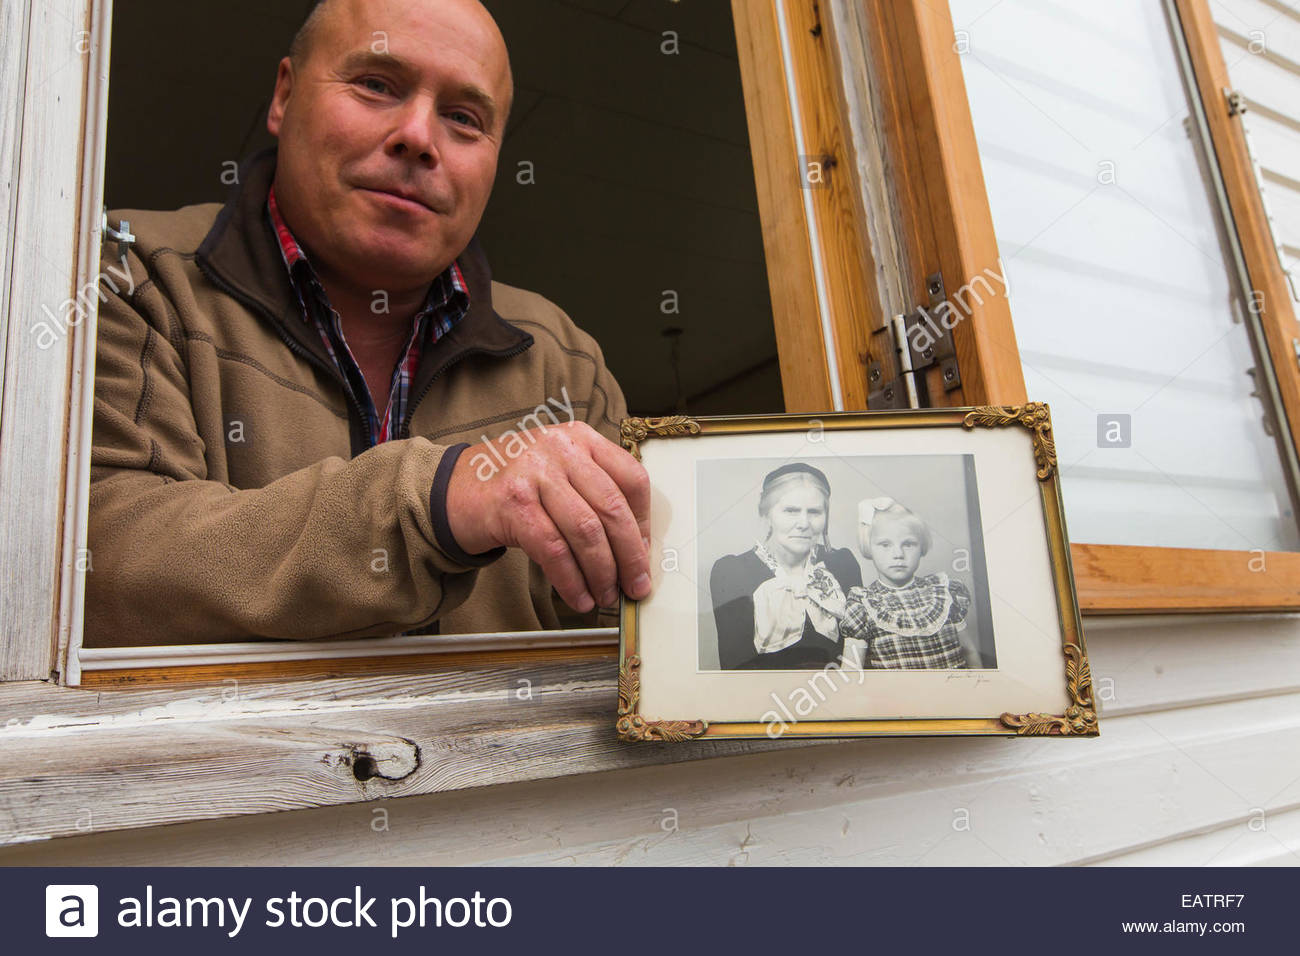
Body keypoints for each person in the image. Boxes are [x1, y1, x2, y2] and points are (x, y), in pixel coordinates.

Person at [86, 0, 651, 647]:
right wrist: (437, 500)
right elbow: (97, 562)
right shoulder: (129, 275)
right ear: (284, 96)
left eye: (464, 119)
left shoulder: (567, 361)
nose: (417, 136)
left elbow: (631, 629)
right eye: (377, 85)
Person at [708, 463, 862, 670]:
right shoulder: (732, 571)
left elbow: (861, 650)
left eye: (815, 512)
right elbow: (736, 669)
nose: (803, 523)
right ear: (766, 513)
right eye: (791, 510)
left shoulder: (842, 562)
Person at [840, 498, 973, 669]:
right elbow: (851, 672)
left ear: (921, 547)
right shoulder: (863, 605)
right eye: (885, 545)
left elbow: (970, 654)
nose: (898, 554)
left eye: (908, 544)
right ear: (869, 547)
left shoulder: (945, 593)